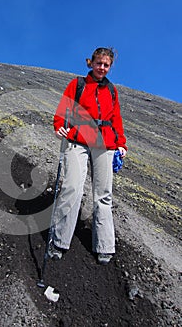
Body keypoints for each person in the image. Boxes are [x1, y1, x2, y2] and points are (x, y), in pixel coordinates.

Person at [49, 47, 127, 265]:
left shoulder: (112, 90)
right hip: (77, 138)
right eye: (99, 63)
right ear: (91, 63)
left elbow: (116, 117)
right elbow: (64, 107)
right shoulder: (78, 84)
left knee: (103, 194)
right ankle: (58, 241)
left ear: (110, 67)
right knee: (72, 187)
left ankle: (104, 246)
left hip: (105, 142)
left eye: (106, 65)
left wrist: (121, 143)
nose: (102, 68)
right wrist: (58, 126)